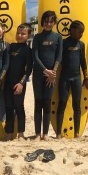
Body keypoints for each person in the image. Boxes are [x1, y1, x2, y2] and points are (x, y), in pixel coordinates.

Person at [32, 10, 63, 140]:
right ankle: (37, 133)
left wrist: (53, 73)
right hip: (39, 75)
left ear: (54, 22)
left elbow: (59, 56)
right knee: (38, 103)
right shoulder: (37, 37)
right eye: (46, 21)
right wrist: (46, 71)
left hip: (51, 76)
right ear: (42, 22)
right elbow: (35, 56)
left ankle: (45, 134)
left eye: (51, 21)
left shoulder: (58, 37)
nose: (48, 24)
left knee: (47, 103)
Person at [56, 20, 88, 138]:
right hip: (64, 78)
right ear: (72, 30)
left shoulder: (81, 44)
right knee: (62, 103)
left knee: (77, 105)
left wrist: (86, 77)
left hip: (76, 78)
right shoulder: (64, 43)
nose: (81, 34)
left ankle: (76, 133)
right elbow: (59, 59)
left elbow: (83, 62)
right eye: (80, 32)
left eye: (82, 32)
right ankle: (58, 133)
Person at [4, 23, 33, 140]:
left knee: (19, 107)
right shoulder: (10, 47)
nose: (20, 35)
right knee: (9, 107)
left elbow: (29, 69)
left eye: (23, 34)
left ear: (28, 36)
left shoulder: (28, 51)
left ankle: (21, 133)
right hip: (8, 83)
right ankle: (9, 132)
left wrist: (21, 83)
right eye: (18, 33)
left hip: (19, 83)